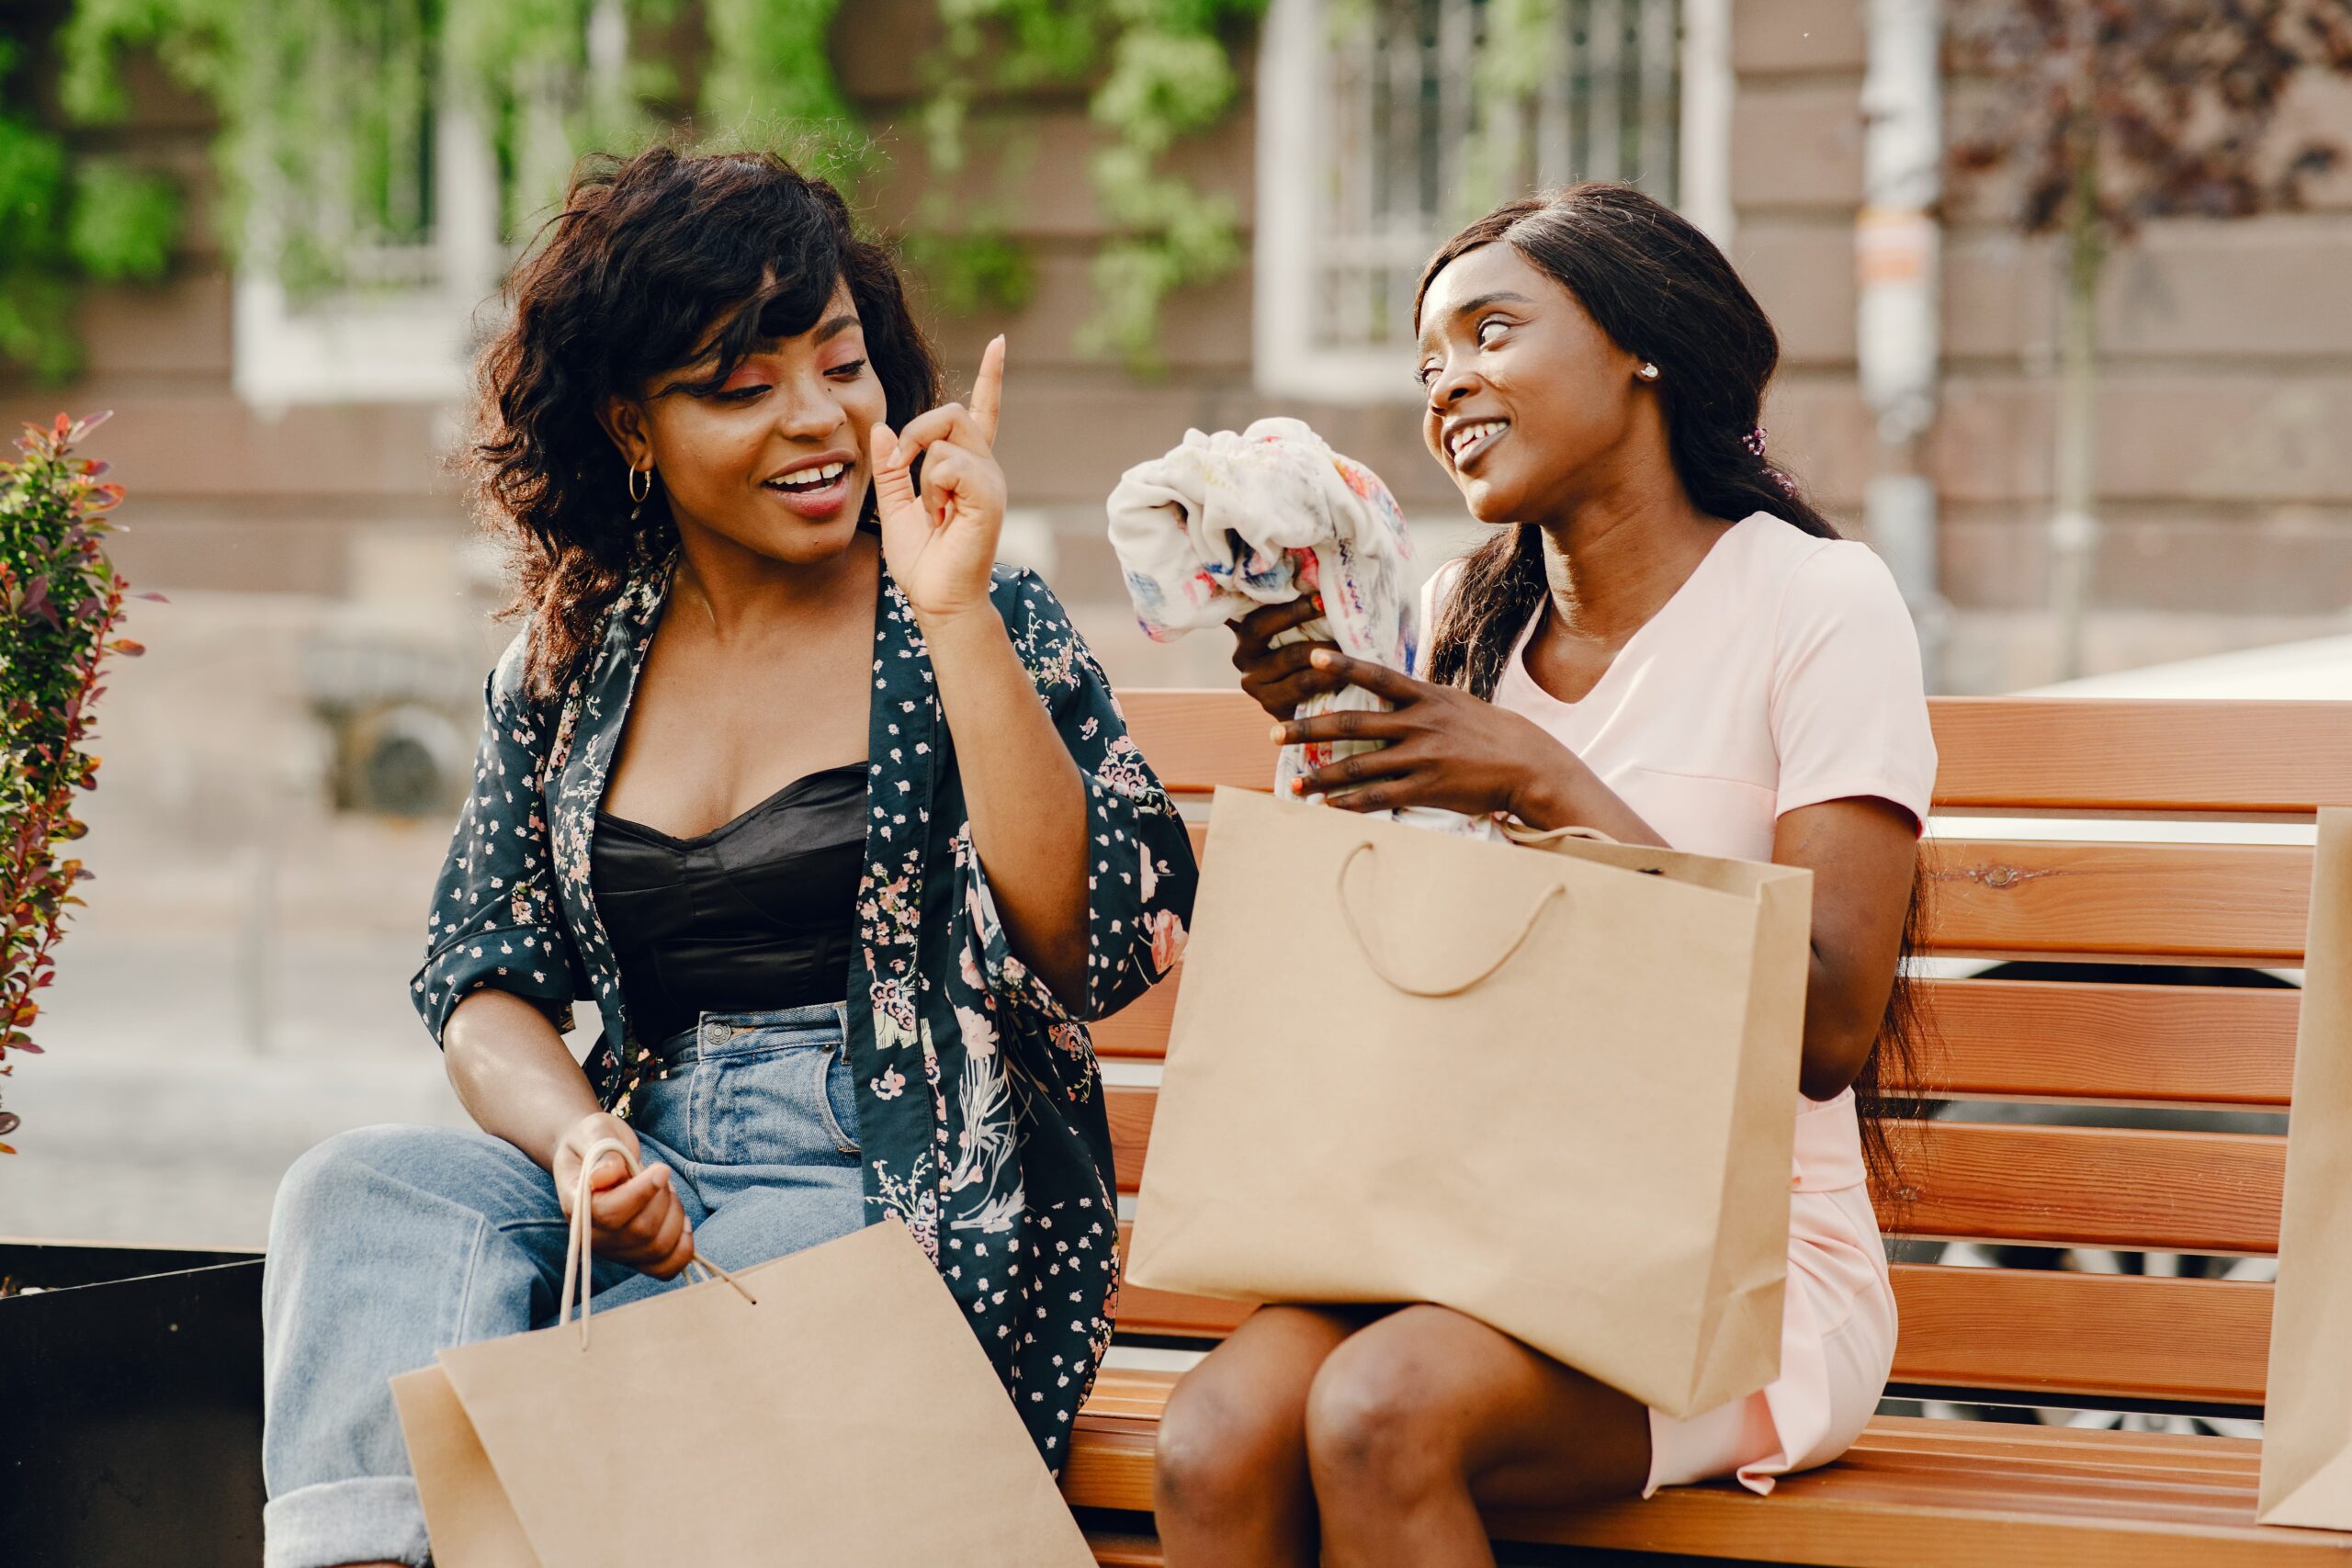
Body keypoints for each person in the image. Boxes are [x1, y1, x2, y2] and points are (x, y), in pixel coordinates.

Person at [258, 146, 1197, 1568]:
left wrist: (957, 620)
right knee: (362, 1192)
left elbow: (1097, 945)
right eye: (739, 388)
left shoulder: (964, 603)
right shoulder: (574, 660)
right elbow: (482, 977)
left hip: (900, 1179)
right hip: (655, 1155)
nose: (818, 419)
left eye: (840, 361)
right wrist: (580, 1137)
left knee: (611, 1375)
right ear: (631, 425)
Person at [1152, 183, 1936, 1567]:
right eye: (1428, 364)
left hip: (1736, 1260)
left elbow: (1829, 1030)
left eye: (1490, 332)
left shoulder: (1819, 603)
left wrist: (1541, 782)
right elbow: (1402, 966)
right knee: (1213, 1436)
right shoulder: (1460, 617)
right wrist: (1325, 733)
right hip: (1460, 1226)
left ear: (1640, 342)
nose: (1450, 382)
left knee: (1381, 1415)